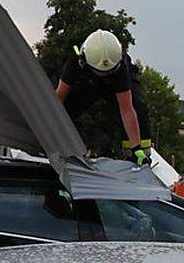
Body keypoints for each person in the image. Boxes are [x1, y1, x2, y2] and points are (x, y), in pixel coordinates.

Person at [54, 29, 153, 166]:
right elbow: (59, 98)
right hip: (88, 81)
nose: (105, 75)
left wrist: (137, 148)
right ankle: (62, 147)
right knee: (66, 107)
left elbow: (127, 110)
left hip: (114, 82)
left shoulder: (120, 66)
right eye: (102, 73)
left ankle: (137, 155)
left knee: (138, 106)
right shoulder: (76, 60)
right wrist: (47, 126)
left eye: (109, 72)